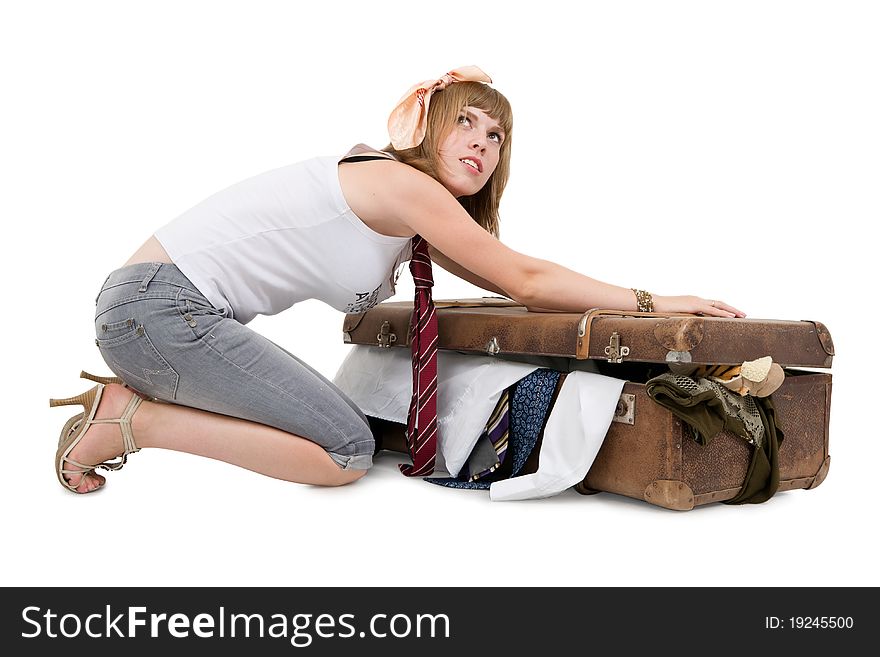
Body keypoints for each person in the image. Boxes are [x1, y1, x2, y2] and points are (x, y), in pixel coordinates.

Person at [50, 65, 745, 494]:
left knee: (343, 444)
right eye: (464, 122)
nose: (481, 142)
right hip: (161, 310)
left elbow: (518, 283)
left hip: (159, 313)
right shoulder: (397, 183)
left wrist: (645, 311)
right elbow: (525, 275)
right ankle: (132, 420)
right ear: (426, 128)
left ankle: (131, 407)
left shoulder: (411, 213)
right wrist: (656, 301)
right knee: (346, 451)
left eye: (496, 135)